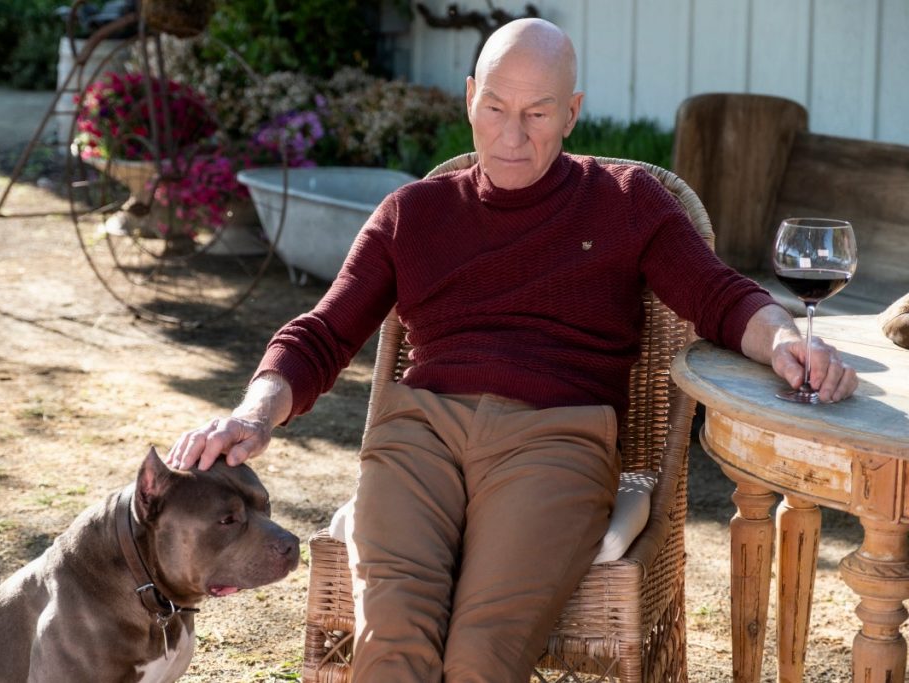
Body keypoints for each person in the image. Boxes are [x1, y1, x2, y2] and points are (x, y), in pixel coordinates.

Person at [168, 18, 858, 682]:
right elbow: (321, 332)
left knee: (481, 657)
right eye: (495, 107)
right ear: (470, 97)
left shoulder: (627, 202)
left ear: (572, 112)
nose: (511, 136)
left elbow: (721, 296)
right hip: (418, 434)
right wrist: (253, 415)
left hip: (556, 438)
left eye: (537, 113)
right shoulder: (414, 213)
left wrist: (786, 340)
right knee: (393, 646)